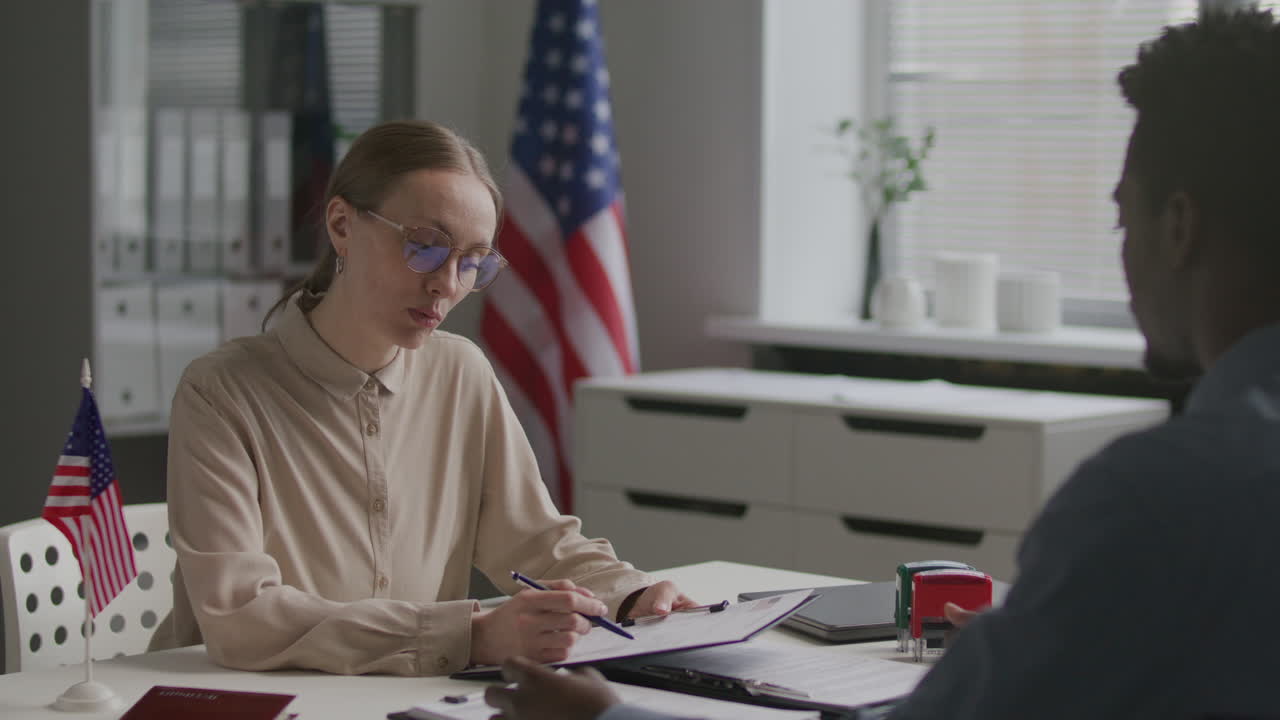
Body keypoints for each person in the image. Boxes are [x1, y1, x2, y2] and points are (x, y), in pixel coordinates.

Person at [485, 7, 1280, 719]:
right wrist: (1042, 634)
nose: (1125, 255)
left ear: (1179, 227)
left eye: (1122, 220)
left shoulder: (1160, 498)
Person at [149, 120, 694, 676]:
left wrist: (630, 596)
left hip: (400, 701)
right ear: (342, 225)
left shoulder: (462, 373)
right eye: (426, 248)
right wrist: (471, 636)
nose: (448, 285)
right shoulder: (220, 392)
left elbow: (531, 539)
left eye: (473, 261)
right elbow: (242, 616)